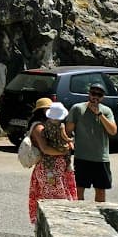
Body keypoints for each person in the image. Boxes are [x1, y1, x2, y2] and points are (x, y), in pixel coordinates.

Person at [28, 95, 76, 226]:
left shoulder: (47, 126)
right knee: (54, 201)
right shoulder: (39, 127)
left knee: (52, 200)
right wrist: (64, 151)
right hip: (49, 169)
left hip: (54, 168)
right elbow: (45, 149)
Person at [66, 81, 117, 203]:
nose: (95, 97)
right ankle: (79, 215)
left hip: (100, 158)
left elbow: (113, 131)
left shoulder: (106, 111)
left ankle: (100, 215)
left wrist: (99, 114)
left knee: (100, 190)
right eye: (93, 93)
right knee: (79, 189)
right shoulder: (78, 108)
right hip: (82, 157)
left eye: (99, 95)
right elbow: (68, 130)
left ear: (102, 97)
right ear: (89, 94)